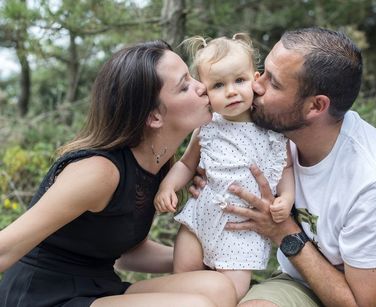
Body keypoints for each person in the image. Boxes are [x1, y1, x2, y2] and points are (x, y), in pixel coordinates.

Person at [192, 28, 376, 307]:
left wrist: (282, 231)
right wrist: (210, 185)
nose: (255, 85)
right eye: (261, 72)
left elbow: (361, 303)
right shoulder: (266, 134)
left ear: (316, 106)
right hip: (300, 280)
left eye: (273, 83)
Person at [0, 40, 237, 307]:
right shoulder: (99, 171)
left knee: (217, 288)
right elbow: (4, 249)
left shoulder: (158, 165)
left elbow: (129, 253)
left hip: (98, 287)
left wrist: (202, 257)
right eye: (185, 86)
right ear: (154, 116)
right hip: (42, 296)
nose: (202, 87)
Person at [154, 33, 295, 300]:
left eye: (239, 80)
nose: (230, 91)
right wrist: (168, 186)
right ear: (205, 91)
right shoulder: (207, 126)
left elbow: (284, 169)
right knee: (184, 282)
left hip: (241, 230)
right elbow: (186, 164)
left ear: (255, 79)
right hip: (199, 221)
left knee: (231, 293)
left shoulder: (271, 129)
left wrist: (286, 198)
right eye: (218, 85)